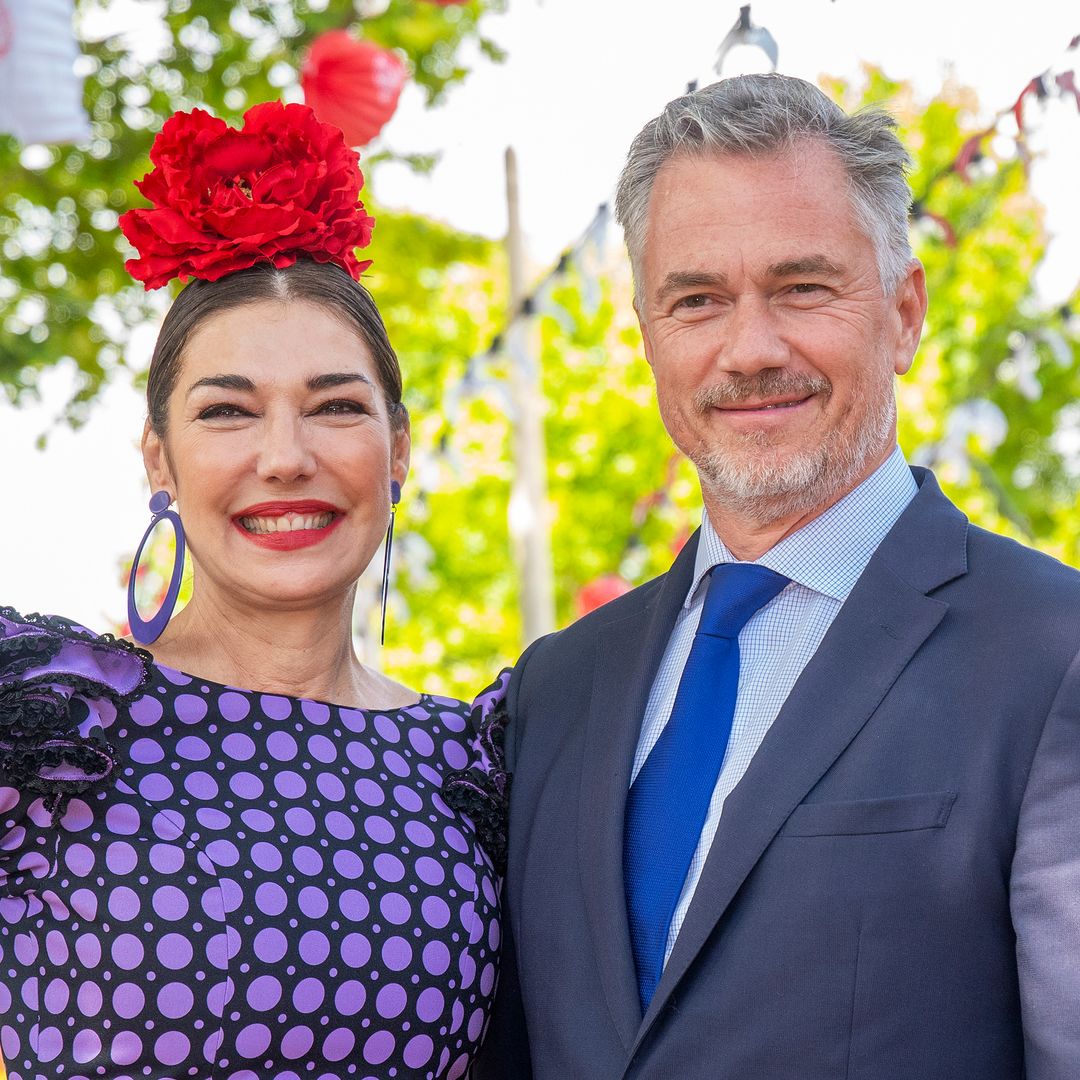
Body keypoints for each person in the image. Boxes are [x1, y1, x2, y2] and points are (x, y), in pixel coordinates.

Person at [462, 74, 1080, 1079]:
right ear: (648, 331)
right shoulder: (556, 691)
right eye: (697, 300)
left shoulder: (1053, 656)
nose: (750, 349)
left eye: (802, 287)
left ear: (905, 310)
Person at [0, 102, 501, 1079]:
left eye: (336, 407)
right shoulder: (44, 713)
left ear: (397, 452)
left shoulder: (476, 761)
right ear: (160, 457)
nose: (285, 456)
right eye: (227, 411)